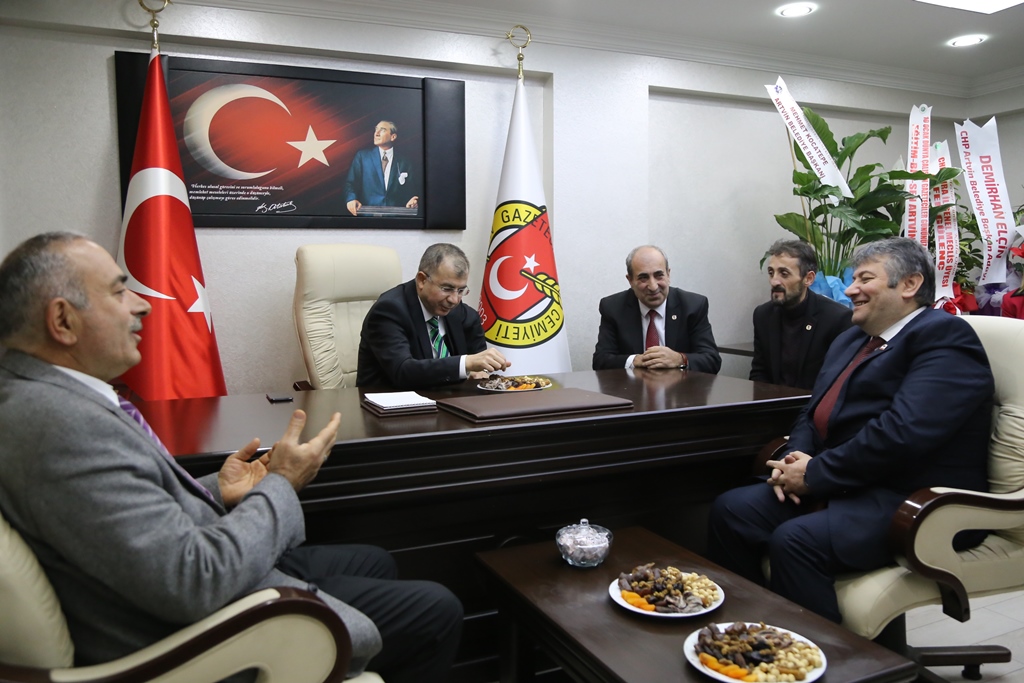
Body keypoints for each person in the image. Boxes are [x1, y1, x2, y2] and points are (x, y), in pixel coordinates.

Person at [0, 233, 462, 683]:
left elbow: (121, 511)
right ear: (63, 321)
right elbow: (193, 581)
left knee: (374, 560)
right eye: (119, 292)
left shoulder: (48, 396)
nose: (142, 305)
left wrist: (216, 488)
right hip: (197, 632)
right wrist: (281, 483)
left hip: (185, 570)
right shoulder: (58, 423)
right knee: (436, 609)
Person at [707, 237, 993, 624]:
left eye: (864, 279)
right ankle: (750, 629)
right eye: (853, 279)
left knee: (795, 542)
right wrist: (795, 458)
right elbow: (813, 410)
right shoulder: (852, 339)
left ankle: (829, 655)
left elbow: (901, 434)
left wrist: (814, 474)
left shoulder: (944, 337)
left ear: (910, 284)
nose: (849, 289)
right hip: (845, 481)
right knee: (731, 510)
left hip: (910, 497)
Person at [357, 243, 509, 389]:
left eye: (461, 290)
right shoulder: (389, 310)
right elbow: (402, 371)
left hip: (447, 400)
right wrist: (465, 364)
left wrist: (479, 372)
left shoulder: (461, 313)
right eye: (447, 288)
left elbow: (478, 361)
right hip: (389, 402)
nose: (454, 300)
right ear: (422, 280)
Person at [592, 245, 721, 373]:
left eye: (659, 275)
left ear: (668, 274)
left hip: (680, 385)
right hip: (633, 385)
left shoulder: (693, 305)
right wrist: (635, 360)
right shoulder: (613, 308)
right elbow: (600, 361)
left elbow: (711, 360)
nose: (653, 287)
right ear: (630, 280)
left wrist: (680, 359)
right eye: (643, 278)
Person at [750, 239, 853, 390]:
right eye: (771, 273)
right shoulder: (763, 315)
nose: (774, 281)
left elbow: (837, 382)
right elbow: (759, 373)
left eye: (784, 274)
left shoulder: (837, 318)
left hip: (814, 402)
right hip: (772, 402)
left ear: (808, 279)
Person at [344, 120, 419, 216]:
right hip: (368, 216)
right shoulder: (363, 157)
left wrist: (412, 201)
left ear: (393, 137)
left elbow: (411, 191)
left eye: (382, 130)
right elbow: (350, 183)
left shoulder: (405, 162)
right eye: (376, 129)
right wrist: (351, 199)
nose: (376, 133)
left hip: (395, 218)